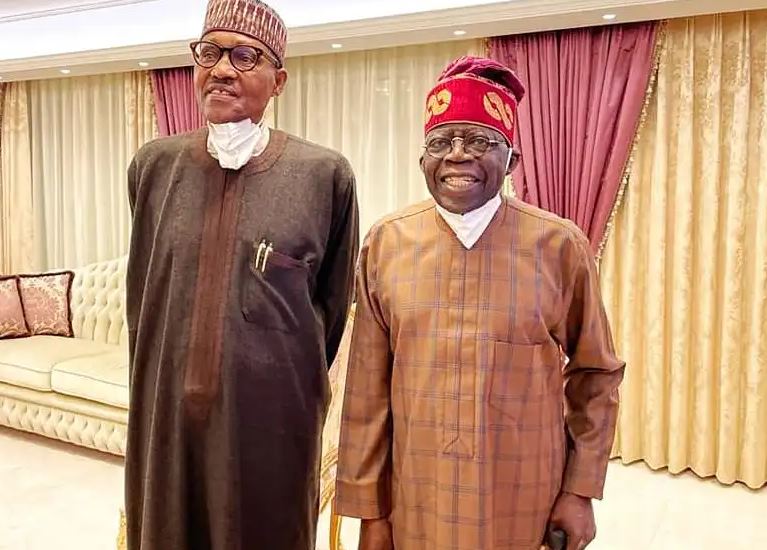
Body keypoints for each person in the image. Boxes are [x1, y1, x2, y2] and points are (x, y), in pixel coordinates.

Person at [335, 56, 625, 550]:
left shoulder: (559, 245)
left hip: (525, 493)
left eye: (478, 141)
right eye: (441, 142)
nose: (457, 156)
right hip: (416, 493)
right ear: (422, 160)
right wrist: (370, 513)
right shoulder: (386, 243)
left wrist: (580, 491)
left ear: (512, 160)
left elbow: (596, 374)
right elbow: (367, 391)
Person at [124, 0, 359, 548]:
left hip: (271, 420)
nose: (223, 69)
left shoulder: (323, 175)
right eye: (210, 53)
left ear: (278, 80)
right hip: (166, 415)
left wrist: (274, 374)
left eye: (245, 56)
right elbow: (145, 294)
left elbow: (328, 313)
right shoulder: (154, 167)